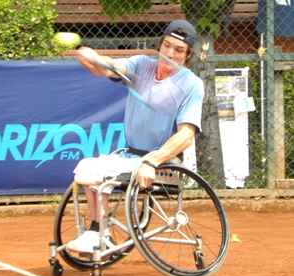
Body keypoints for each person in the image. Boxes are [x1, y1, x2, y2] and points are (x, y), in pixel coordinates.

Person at [66, 20, 205, 253]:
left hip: (163, 164)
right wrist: (95, 60)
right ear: (160, 45)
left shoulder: (192, 85)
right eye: (167, 46)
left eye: (179, 50)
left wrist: (152, 161)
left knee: (95, 171)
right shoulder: (141, 64)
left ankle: (99, 232)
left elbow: (186, 135)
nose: (170, 53)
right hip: (130, 156)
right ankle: (98, 231)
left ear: (188, 55)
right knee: (86, 168)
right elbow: (110, 67)